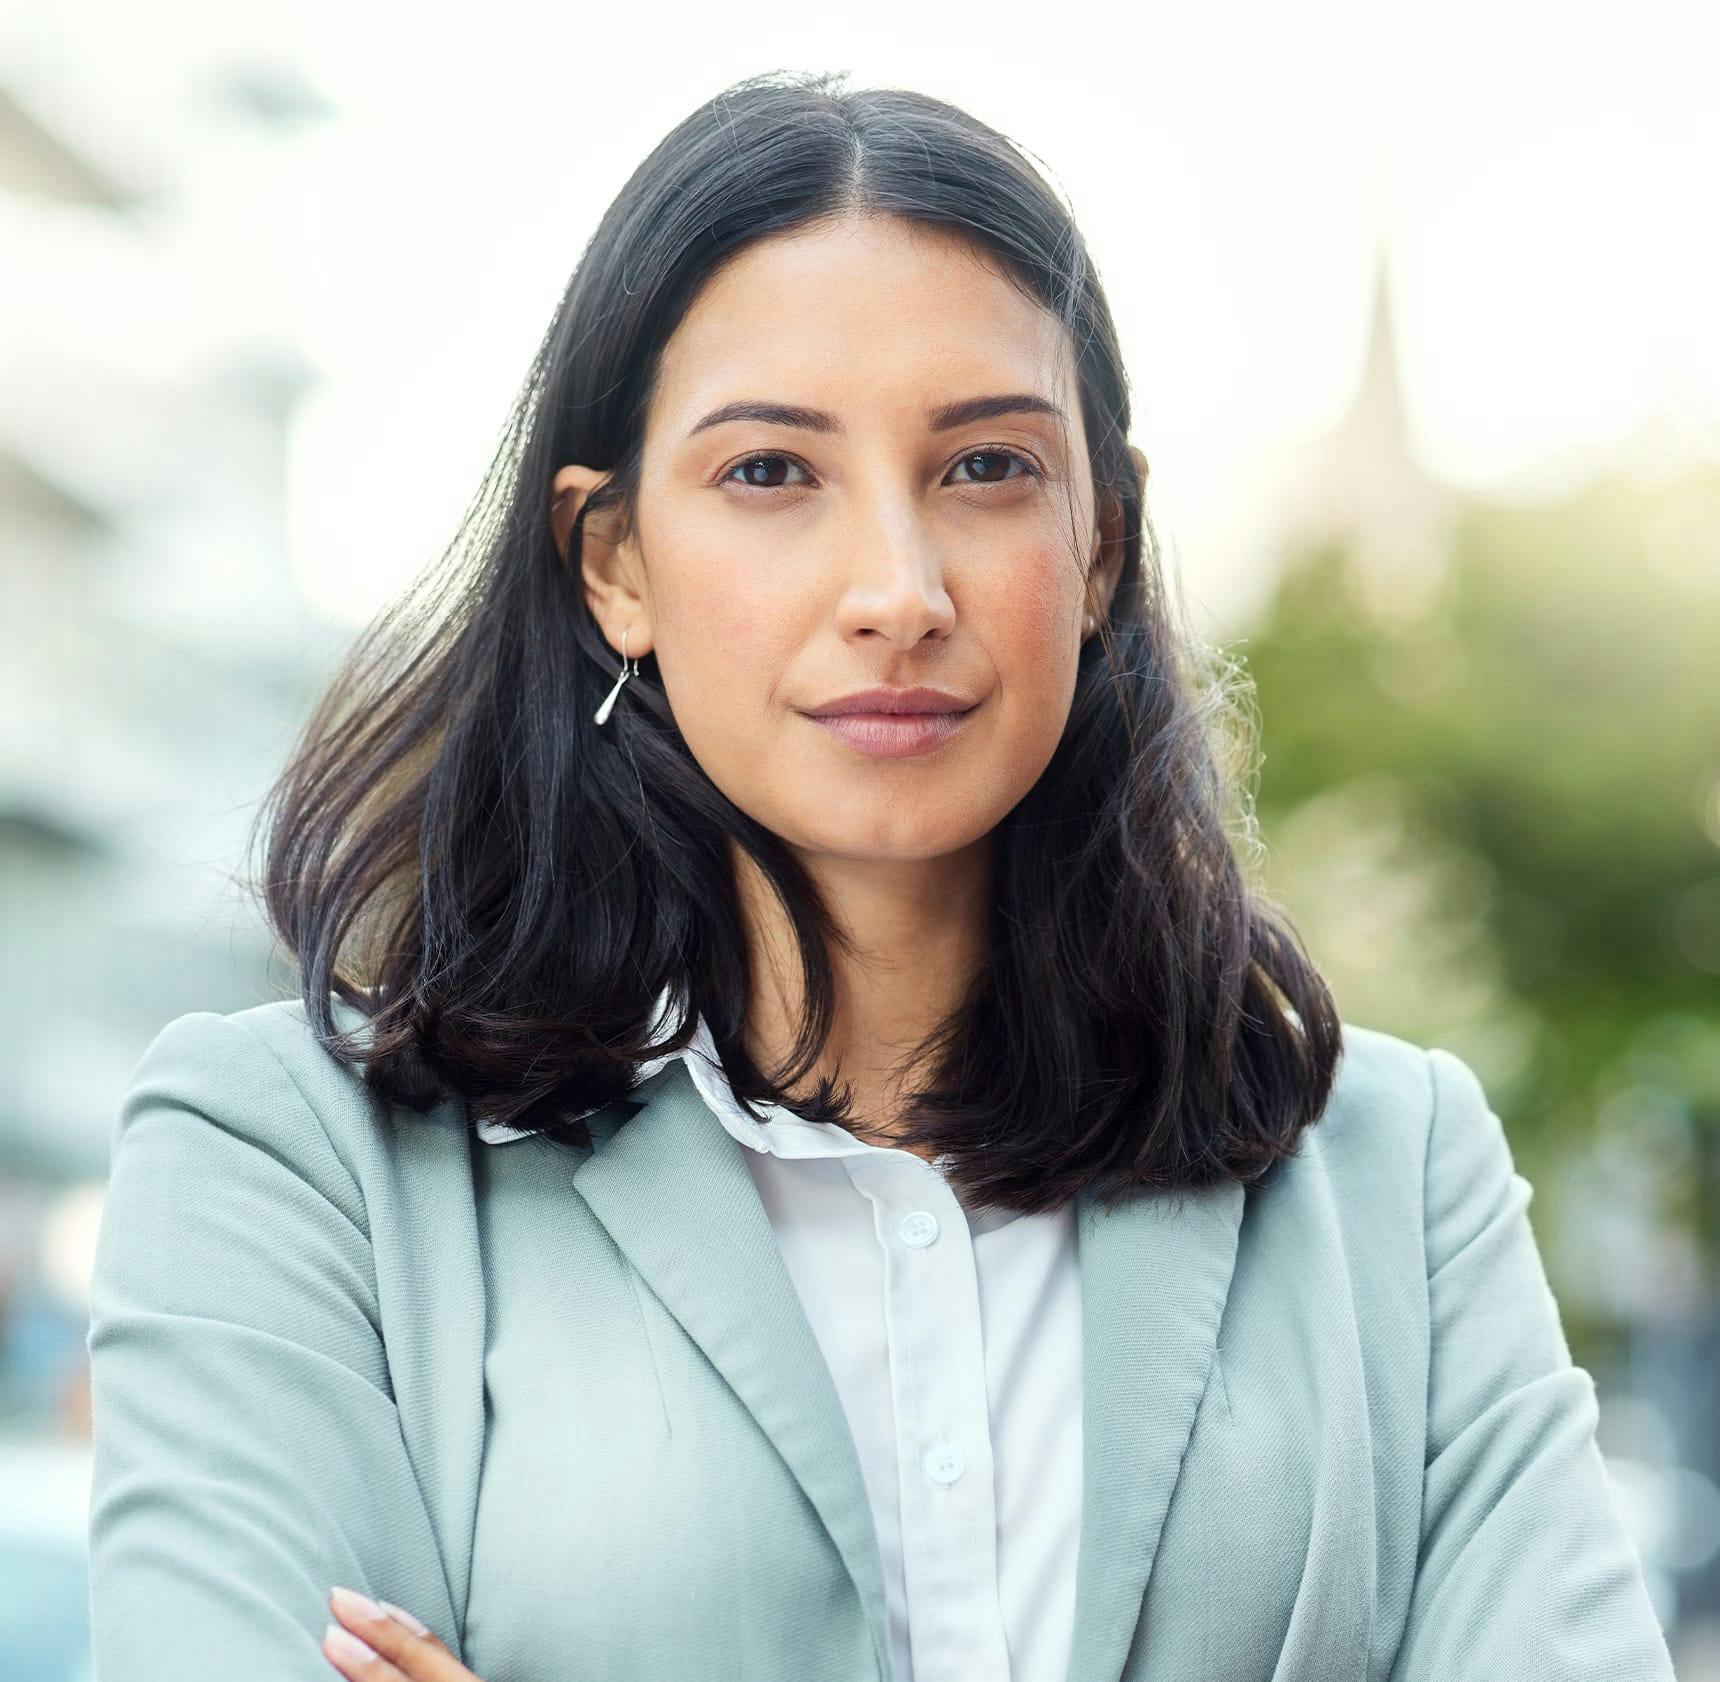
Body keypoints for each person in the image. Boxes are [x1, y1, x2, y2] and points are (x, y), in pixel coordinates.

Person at [84, 68, 1673, 1682]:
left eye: (986, 469)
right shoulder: (289, 1169)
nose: (898, 590)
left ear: (1104, 545)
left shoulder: (1392, 1186)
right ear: (613, 561)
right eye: (771, 473)